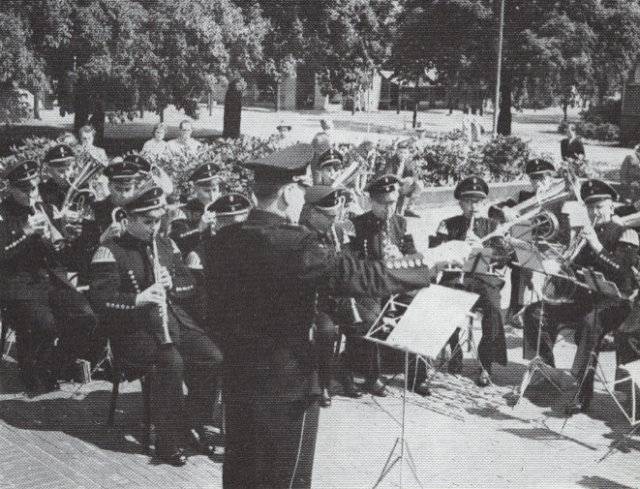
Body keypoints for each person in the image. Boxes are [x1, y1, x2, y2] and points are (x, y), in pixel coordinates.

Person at [201, 154, 472, 489]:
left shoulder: (222, 240)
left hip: (239, 378)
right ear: (288, 194)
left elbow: (211, 314)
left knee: (241, 476)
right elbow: (363, 277)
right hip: (289, 384)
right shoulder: (297, 245)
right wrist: (429, 263)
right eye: (302, 187)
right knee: (287, 479)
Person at [89, 183, 223, 466]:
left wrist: (171, 283)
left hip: (171, 321)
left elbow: (191, 284)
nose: (154, 227)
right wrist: (138, 298)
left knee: (212, 357)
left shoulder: (165, 245)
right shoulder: (109, 250)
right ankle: (167, 443)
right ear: (128, 220)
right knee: (171, 362)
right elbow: (100, 300)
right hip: (133, 332)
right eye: (147, 222)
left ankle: (187, 420)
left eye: (158, 220)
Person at [522, 179, 638, 414]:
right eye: (590, 207)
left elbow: (625, 275)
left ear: (611, 206)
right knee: (534, 312)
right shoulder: (586, 234)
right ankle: (546, 375)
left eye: (600, 206)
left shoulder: (626, 233)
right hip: (585, 301)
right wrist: (558, 266)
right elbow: (571, 273)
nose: (595, 212)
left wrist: (597, 247)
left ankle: (581, 393)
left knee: (590, 324)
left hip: (616, 305)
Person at [0, 159, 97, 394]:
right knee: (46, 326)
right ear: (9, 189)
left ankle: (53, 365)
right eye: (24, 189)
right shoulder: (3, 214)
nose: (32, 194)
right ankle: (31, 367)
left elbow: (65, 257)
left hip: (50, 280)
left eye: (34, 187)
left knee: (85, 316)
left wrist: (70, 239)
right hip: (16, 284)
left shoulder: (46, 209)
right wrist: (26, 232)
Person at [346, 174, 424, 396]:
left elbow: (413, 255)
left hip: (395, 283)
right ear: (372, 201)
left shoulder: (400, 222)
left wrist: (402, 255)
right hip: (369, 285)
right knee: (371, 320)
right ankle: (372, 376)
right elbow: (351, 264)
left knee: (417, 309)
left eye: (393, 202)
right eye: (384, 204)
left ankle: (416, 375)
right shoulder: (357, 225)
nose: (389, 209)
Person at [430, 176, 511, 387]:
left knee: (494, 308)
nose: (473, 206)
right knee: (444, 298)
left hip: (484, 281)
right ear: (460, 203)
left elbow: (503, 259)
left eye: (478, 201)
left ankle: (486, 364)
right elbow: (435, 254)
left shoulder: (493, 226)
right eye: (468, 201)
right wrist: (457, 247)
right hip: (455, 279)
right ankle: (453, 347)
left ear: (484, 204)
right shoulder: (447, 225)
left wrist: (483, 251)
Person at [489, 158, 573, 324]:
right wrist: (504, 211)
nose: (538, 182)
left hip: (552, 248)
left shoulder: (563, 197)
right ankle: (516, 309)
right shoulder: (522, 196)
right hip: (526, 247)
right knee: (520, 261)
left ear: (551, 177)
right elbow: (492, 211)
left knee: (528, 258)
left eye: (542, 177)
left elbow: (567, 232)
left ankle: (552, 311)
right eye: (534, 178)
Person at [299, 185, 352, 406]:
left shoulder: (337, 232)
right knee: (327, 331)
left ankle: (347, 373)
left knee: (367, 321)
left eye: (335, 215)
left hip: (335, 297)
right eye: (328, 216)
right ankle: (322, 384)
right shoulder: (301, 235)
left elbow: (349, 266)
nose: (333, 220)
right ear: (312, 213)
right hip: (311, 302)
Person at [169, 162, 220, 256]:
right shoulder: (184, 211)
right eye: (207, 191)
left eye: (214, 190)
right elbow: (176, 241)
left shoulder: (223, 207)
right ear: (196, 189)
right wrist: (198, 229)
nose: (212, 196)